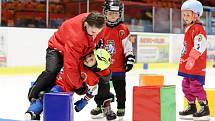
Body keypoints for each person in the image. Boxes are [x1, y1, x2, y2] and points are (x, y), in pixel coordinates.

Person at [27, 12, 106, 102]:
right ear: (85, 24)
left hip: (78, 51)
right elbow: (71, 65)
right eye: (93, 32)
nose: (95, 35)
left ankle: (47, 94)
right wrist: (78, 86)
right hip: (57, 48)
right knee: (52, 71)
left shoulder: (96, 22)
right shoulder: (76, 37)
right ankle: (33, 93)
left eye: (98, 33)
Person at [25, 49, 113, 120]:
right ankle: (33, 112)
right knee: (43, 94)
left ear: (96, 67)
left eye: (91, 60)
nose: (87, 59)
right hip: (52, 79)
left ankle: (32, 112)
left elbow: (93, 91)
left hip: (62, 88)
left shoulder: (92, 78)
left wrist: (84, 101)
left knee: (50, 96)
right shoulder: (79, 58)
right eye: (90, 55)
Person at [90, 0, 135, 120]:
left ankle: (121, 107)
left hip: (119, 67)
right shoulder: (100, 28)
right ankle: (100, 106)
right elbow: (95, 44)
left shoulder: (123, 29)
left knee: (120, 88)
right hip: (104, 68)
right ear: (105, 13)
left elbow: (128, 46)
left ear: (120, 14)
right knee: (102, 89)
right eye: (110, 13)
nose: (113, 16)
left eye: (115, 14)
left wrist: (129, 57)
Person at [178, 0, 210, 120]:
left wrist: (192, 58)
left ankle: (204, 108)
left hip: (195, 65)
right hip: (187, 65)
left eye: (188, 15)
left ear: (196, 15)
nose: (185, 17)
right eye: (184, 15)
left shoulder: (198, 29)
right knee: (186, 84)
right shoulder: (189, 28)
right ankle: (192, 106)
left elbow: (200, 45)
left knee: (195, 85)